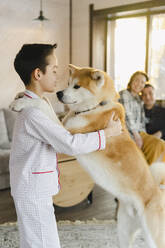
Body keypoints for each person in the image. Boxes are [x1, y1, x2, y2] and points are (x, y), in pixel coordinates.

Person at [9, 43, 122, 248]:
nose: (57, 76)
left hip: (33, 187)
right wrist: (108, 133)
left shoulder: (40, 103)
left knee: (39, 240)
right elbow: (68, 143)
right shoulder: (34, 113)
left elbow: (59, 130)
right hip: (32, 189)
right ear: (37, 74)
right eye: (53, 70)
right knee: (43, 242)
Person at [119, 71, 165, 165]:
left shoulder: (138, 99)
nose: (139, 84)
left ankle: (149, 169)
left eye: (142, 82)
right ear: (131, 81)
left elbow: (142, 119)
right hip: (130, 133)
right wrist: (137, 136)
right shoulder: (124, 94)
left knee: (159, 144)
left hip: (141, 133)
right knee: (155, 145)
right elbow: (128, 117)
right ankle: (146, 170)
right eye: (137, 80)